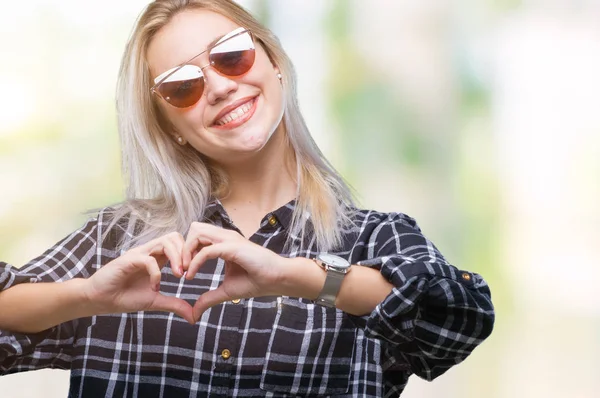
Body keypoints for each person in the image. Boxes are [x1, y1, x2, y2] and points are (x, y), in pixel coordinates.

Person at [0, 0, 495, 396]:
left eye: (230, 54)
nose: (217, 86)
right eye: (181, 87)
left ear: (274, 61)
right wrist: (84, 297)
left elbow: (458, 318)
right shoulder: (120, 241)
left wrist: (296, 277)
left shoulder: (373, 239)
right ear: (170, 128)